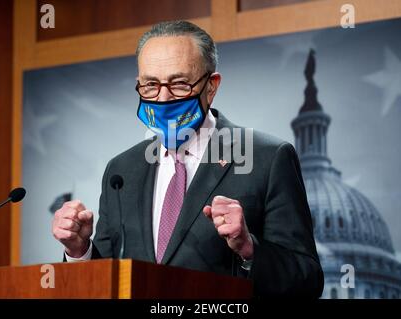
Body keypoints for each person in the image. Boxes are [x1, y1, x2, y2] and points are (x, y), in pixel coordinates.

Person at [51, 20, 324, 298]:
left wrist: (248, 247)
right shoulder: (122, 171)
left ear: (211, 86)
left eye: (180, 84)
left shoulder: (267, 158)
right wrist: (79, 250)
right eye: (150, 85)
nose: (164, 98)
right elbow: (105, 279)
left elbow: (307, 280)